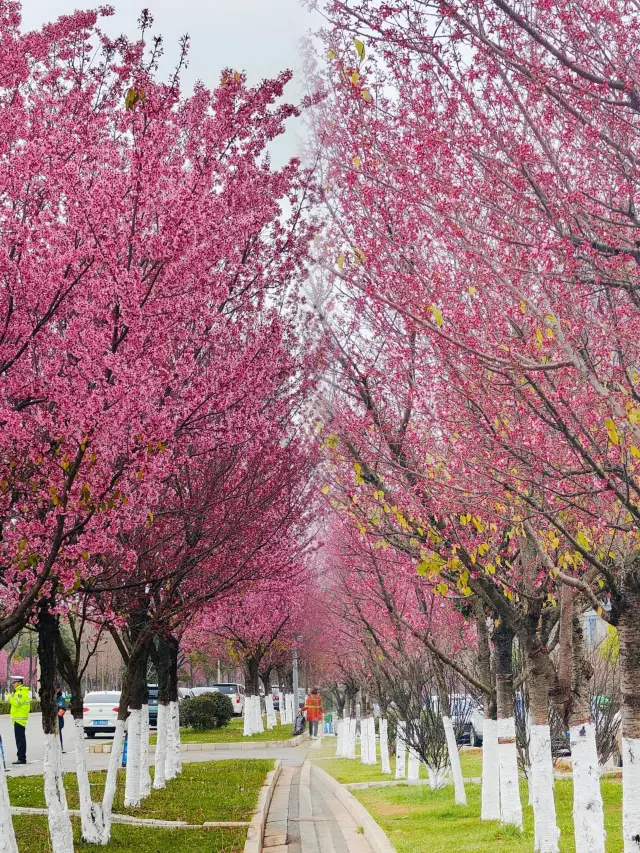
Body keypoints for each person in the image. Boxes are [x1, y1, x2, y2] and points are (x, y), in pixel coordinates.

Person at [9, 676, 30, 764]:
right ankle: (21, 757)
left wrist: (10, 698)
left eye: (14, 682)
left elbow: (17, 703)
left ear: (19, 683)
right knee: (19, 739)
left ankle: (21, 758)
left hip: (19, 720)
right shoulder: (18, 692)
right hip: (18, 720)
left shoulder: (21, 692)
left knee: (20, 740)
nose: (13, 684)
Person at [56, 684, 67, 752]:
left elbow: (62, 709)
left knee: (58, 733)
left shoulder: (60, 698)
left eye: (57, 688)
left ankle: (60, 747)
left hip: (58, 720)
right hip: (53, 719)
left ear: (59, 689)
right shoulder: (53, 697)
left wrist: (56, 715)